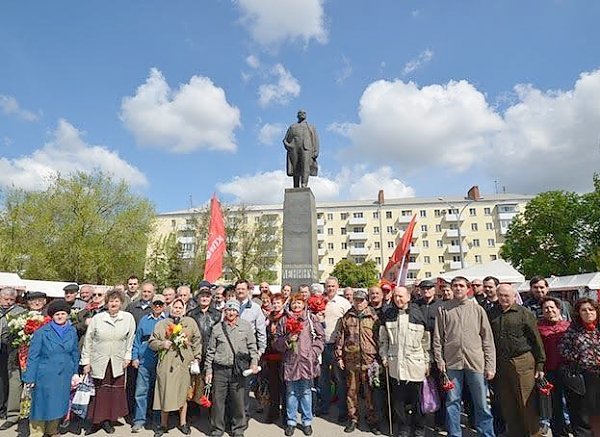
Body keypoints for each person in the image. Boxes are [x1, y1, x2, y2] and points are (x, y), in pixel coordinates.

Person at [432, 276, 496, 437]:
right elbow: (438, 338)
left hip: (476, 363)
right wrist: (439, 360)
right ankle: (455, 433)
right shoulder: (443, 310)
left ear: (468, 288)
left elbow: (487, 339)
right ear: (451, 288)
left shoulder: (477, 310)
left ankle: (486, 433)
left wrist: (490, 365)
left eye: (461, 285)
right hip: (452, 363)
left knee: (481, 403)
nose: (458, 288)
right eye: (455, 286)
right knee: (452, 402)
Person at [489, 283, 546, 437]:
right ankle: (515, 433)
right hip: (501, 363)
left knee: (526, 401)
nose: (503, 298)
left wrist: (540, 365)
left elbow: (536, 340)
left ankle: (534, 433)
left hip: (523, 361)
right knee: (508, 403)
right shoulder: (492, 313)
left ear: (514, 296)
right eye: (500, 295)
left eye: (506, 295)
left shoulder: (524, 313)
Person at [81, 289, 136, 434]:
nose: (114, 303)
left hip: (117, 361)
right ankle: (95, 421)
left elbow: (130, 340)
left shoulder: (128, 318)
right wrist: (86, 361)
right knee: (99, 392)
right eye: (111, 301)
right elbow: (88, 340)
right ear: (107, 303)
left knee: (112, 393)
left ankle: (108, 420)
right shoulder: (98, 318)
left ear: (121, 303)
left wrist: (127, 357)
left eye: (117, 301)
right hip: (99, 360)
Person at [21, 299, 79, 437]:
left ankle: (52, 430)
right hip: (44, 375)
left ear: (67, 315)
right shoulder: (42, 332)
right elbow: (33, 356)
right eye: (57, 314)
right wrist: (30, 377)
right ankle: (37, 432)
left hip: (64, 374)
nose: (60, 316)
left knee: (58, 403)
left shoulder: (72, 331)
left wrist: (75, 372)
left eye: (63, 314)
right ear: (52, 316)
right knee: (40, 405)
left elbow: (75, 353)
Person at [380, 286, 429, 437]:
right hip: (396, 365)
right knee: (398, 401)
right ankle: (403, 428)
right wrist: (384, 356)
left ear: (408, 297)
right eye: (395, 296)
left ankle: (419, 427)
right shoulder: (389, 315)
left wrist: (428, 362)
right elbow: (383, 340)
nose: (397, 299)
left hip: (415, 364)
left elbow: (426, 342)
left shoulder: (418, 314)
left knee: (417, 400)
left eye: (401, 296)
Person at [204, 300, 259, 437]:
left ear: (237, 312)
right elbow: (210, 351)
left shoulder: (245, 326)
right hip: (220, 369)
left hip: (238, 370)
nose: (231, 312)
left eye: (234, 310)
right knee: (218, 401)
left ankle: (238, 428)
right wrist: (208, 370)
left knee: (238, 401)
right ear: (225, 311)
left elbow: (253, 346)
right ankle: (217, 428)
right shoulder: (217, 328)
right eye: (228, 309)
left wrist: (254, 362)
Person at [274, 292, 324, 436]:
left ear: (304, 304)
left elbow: (320, 337)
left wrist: (313, 352)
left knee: (306, 392)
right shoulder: (284, 320)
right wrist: (288, 339)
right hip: (290, 362)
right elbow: (276, 341)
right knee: (291, 393)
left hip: (307, 361)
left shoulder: (311, 318)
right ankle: (291, 421)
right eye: (294, 303)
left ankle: (307, 421)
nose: (296, 305)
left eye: (299, 303)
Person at [150, 298, 202, 437]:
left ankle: (183, 423)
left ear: (184, 309)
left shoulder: (190, 323)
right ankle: (163, 424)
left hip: (184, 363)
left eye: (180, 307)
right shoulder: (162, 324)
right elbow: (152, 342)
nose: (177, 310)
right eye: (175, 307)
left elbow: (197, 341)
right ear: (170, 308)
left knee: (183, 394)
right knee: (165, 393)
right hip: (167, 364)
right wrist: (162, 344)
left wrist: (197, 357)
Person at [335, 289, 381, 434]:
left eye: (361, 300)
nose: (359, 303)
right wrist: (339, 356)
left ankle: (372, 420)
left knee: (370, 393)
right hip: (351, 360)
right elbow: (340, 338)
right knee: (352, 392)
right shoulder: (347, 317)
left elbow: (380, 338)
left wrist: (380, 358)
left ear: (366, 301)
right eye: (356, 300)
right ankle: (353, 419)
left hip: (369, 360)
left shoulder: (374, 316)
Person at [559, 298, 600, 436]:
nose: (588, 312)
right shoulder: (573, 329)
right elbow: (563, 349)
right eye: (584, 310)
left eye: (591, 309)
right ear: (578, 313)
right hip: (584, 376)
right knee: (585, 413)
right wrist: (581, 357)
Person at [131, 294, 167, 433]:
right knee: (141, 392)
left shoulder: (167, 321)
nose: (158, 306)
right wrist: (135, 357)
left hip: (161, 362)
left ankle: (157, 421)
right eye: (155, 304)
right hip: (144, 361)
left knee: (158, 393)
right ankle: (139, 420)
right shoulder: (144, 320)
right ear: (152, 304)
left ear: (164, 306)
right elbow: (137, 340)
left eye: (160, 304)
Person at [318, 276, 351, 420]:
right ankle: (324, 406)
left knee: (339, 379)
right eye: (328, 286)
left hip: (336, 346)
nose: (330, 288)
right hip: (320, 345)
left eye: (333, 286)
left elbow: (349, 325)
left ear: (337, 287)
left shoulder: (343, 303)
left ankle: (343, 410)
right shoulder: (319, 301)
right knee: (323, 379)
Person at [538, 297, 571, 437]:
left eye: (552, 307)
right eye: (546, 308)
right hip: (550, 370)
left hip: (569, 370)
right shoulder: (539, 328)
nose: (549, 310)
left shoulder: (568, 326)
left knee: (573, 404)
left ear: (559, 309)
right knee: (555, 405)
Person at [187, 284, 221, 405]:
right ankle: (193, 411)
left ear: (211, 298)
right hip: (195, 352)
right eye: (202, 296)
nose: (205, 298)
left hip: (212, 353)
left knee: (211, 382)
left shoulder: (217, 315)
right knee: (194, 383)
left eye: (207, 296)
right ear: (198, 298)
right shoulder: (191, 314)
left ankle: (211, 410)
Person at [0, 287, 26, 431]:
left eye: (11, 300)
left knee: (13, 382)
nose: (8, 302)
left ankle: (11, 414)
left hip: (13, 351)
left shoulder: (20, 312)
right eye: (6, 299)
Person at [262, 293, 287, 423]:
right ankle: (273, 412)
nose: (276, 305)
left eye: (278, 302)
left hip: (284, 356)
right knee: (273, 386)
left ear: (283, 303)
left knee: (285, 386)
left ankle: (286, 414)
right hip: (271, 356)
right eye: (274, 303)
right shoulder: (269, 317)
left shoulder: (287, 317)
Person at [283, 109, 319, 188]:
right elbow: (285, 140)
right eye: (300, 113)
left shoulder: (311, 127)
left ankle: (304, 184)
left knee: (305, 166)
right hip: (294, 148)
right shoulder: (292, 127)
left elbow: (315, 139)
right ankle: (296, 185)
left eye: (304, 113)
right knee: (295, 167)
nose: (302, 114)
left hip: (306, 148)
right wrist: (289, 146)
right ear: (297, 115)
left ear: (306, 115)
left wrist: (316, 151)